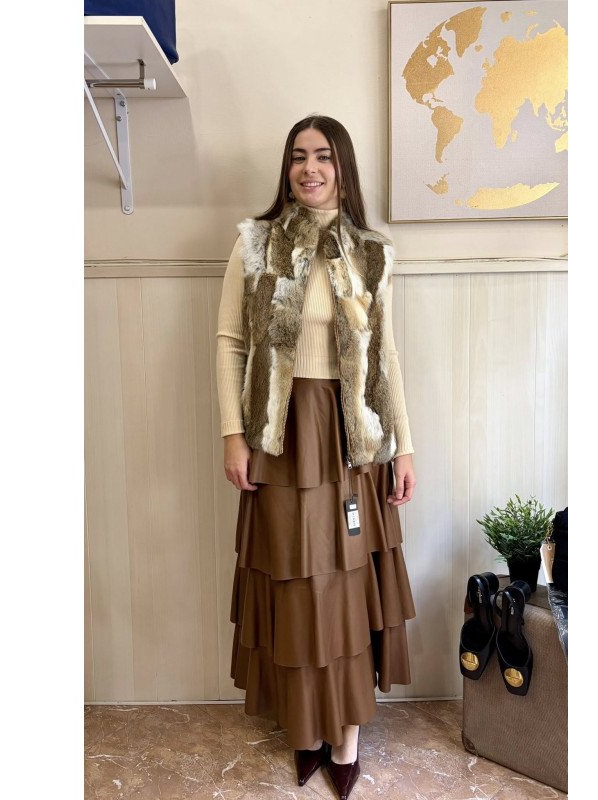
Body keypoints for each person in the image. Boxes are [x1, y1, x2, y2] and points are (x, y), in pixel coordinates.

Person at [217, 114, 417, 800]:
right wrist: (233, 434)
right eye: (299, 156)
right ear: (288, 167)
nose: (310, 168)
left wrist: (405, 446)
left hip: (352, 439)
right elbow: (229, 342)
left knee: (347, 585)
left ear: (343, 167)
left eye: (323, 156)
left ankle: (347, 738)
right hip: (280, 437)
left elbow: (385, 355)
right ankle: (304, 730)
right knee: (295, 585)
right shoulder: (254, 243)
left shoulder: (373, 252)